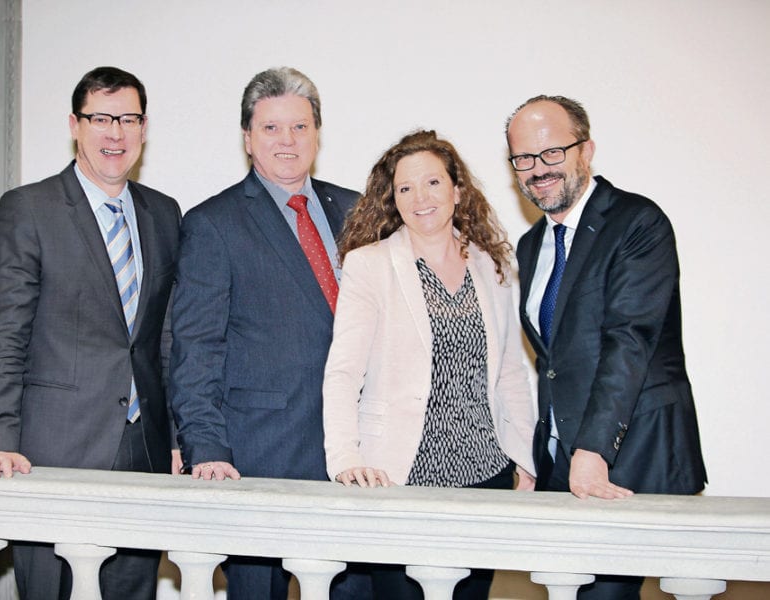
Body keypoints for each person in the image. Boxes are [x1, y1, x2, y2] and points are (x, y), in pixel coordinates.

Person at [0, 66, 182, 600]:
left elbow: (168, 340)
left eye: (128, 118)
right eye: (101, 118)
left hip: (143, 451)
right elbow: (5, 336)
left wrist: (183, 440)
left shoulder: (163, 213)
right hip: (51, 452)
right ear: (75, 124)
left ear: (144, 127)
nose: (115, 132)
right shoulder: (29, 209)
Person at [169, 67, 363, 599]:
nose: (287, 141)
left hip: (356, 451)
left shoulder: (357, 211)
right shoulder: (214, 222)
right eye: (272, 128)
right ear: (248, 137)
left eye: (300, 127)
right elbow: (196, 347)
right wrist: (205, 447)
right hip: (258, 455)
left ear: (317, 134)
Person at [506, 95, 707, 599]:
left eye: (552, 153)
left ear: (586, 149)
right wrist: (541, 453)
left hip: (631, 451)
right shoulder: (531, 246)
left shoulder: (637, 223)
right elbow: (552, 364)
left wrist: (593, 448)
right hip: (563, 459)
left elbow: (630, 340)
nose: (538, 170)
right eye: (523, 159)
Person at [323, 130, 536, 600]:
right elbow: (342, 373)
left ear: (457, 190)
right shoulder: (369, 265)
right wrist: (345, 459)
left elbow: (509, 374)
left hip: (486, 476)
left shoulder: (493, 265)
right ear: (392, 200)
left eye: (433, 183)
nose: (420, 198)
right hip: (398, 477)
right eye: (404, 188)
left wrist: (524, 455)